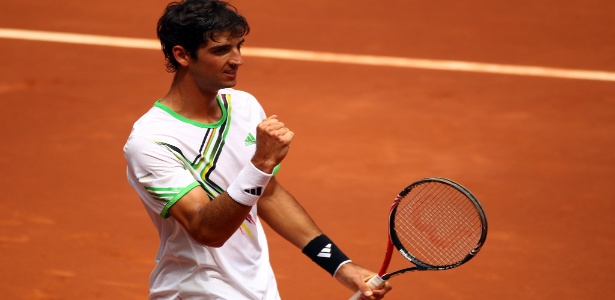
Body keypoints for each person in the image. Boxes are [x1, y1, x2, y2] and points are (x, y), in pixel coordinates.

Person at [123, 0, 392, 299]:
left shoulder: (244, 106)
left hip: (258, 288)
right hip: (197, 291)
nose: (237, 59)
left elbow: (268, 194)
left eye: (239, 46)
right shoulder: (152, 141)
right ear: (182, 55)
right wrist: (261, 163)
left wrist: (341, 266)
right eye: (221, 50)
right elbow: (206, 230)